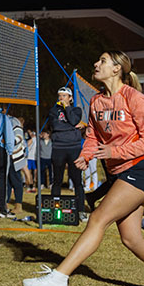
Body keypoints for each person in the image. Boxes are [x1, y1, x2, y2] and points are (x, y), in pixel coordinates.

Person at [22, 51, 144, 286]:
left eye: (102, 60)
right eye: (97, 59)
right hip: (116, 174)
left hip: (140, 171)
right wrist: (86, 155)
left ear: (116, 69)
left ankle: (59, 277)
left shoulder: (136, 99)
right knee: (131, 239)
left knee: (98, 218)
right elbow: (93, 137)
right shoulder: (97, 102)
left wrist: (114, 151)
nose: (95, 63)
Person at [49, 87, 86, 218]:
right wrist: (71, 127)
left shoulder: (76, 110)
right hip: (58, 147)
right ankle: (54, 210)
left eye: (64, 96)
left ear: (70, 98)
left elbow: (74, 120)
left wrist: (67, 108)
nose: (61, 98)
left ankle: (81, 210)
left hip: (74, 148)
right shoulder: (54, 111)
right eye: (60, 96)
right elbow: (56, 126)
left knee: (77, 180)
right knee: (57, 180)